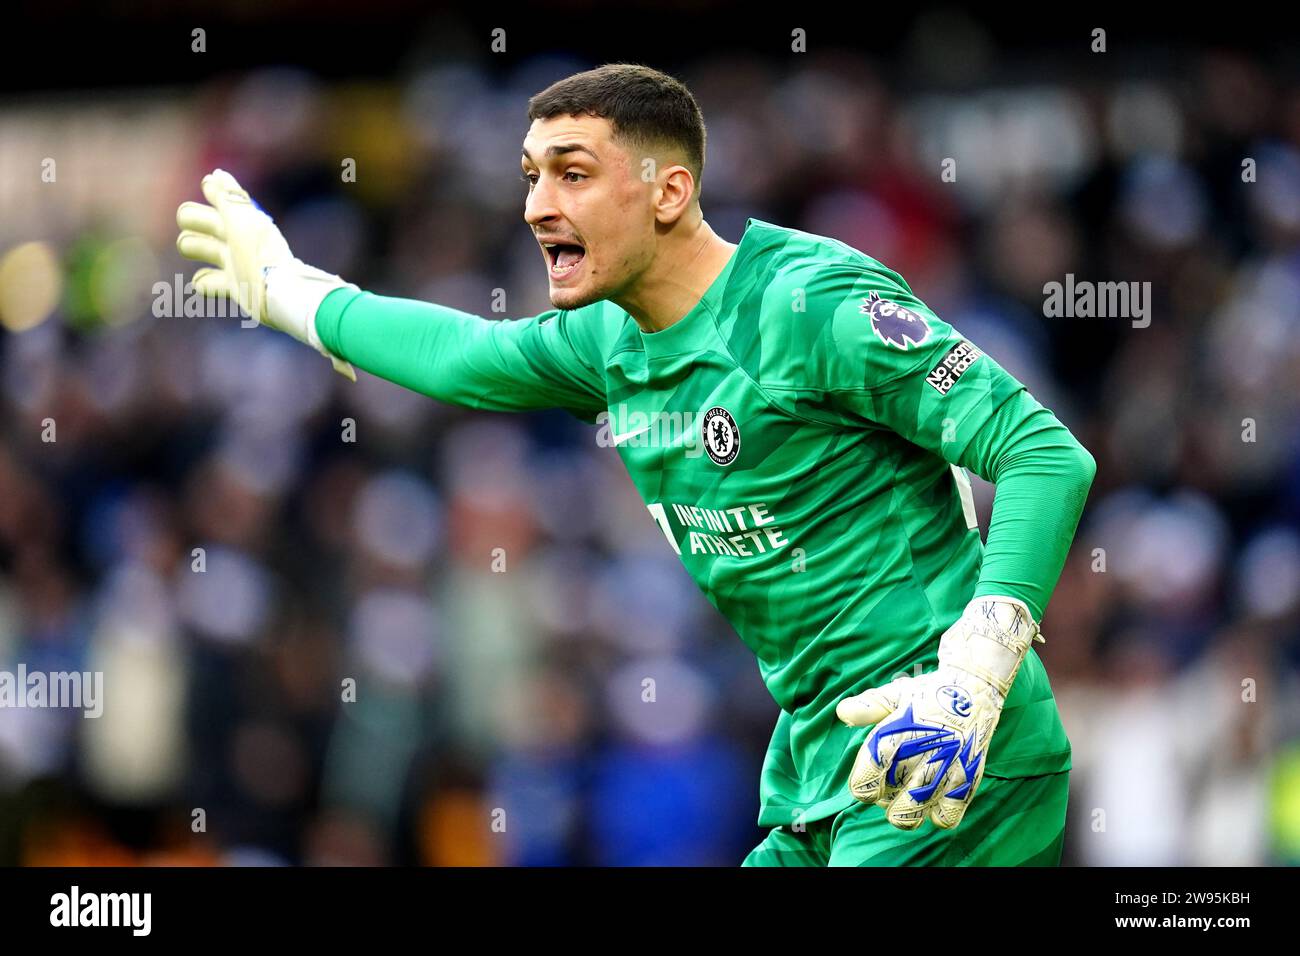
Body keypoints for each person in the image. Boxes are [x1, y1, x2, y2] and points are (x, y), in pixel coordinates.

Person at [176, 62, 1095, 866]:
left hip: (950, 751)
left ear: (667, 193)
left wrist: (976, 674)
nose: (539, 203)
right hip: (825, 759)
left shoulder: (808, 307)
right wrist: (292, 291)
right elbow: (462, 354)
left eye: (574, 174)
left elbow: (1043, 453)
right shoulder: (607, 345)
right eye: (532, 176)